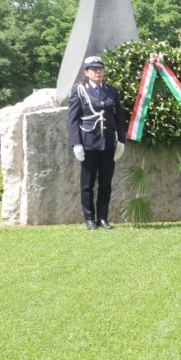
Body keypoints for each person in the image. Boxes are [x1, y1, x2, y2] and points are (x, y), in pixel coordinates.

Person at [67, 56, 127, 230]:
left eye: (100, 68)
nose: (98, 71)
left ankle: (102, 218)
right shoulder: (79, 91)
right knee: (87, 184)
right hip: (88, 143)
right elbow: (73, 119)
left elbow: (119, 117)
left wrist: (121, 140)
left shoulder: (111, 91)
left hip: (107, 143)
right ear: (86, 72)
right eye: (93, 69)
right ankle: (89, 219)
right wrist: (76, 143)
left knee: (105, 183)